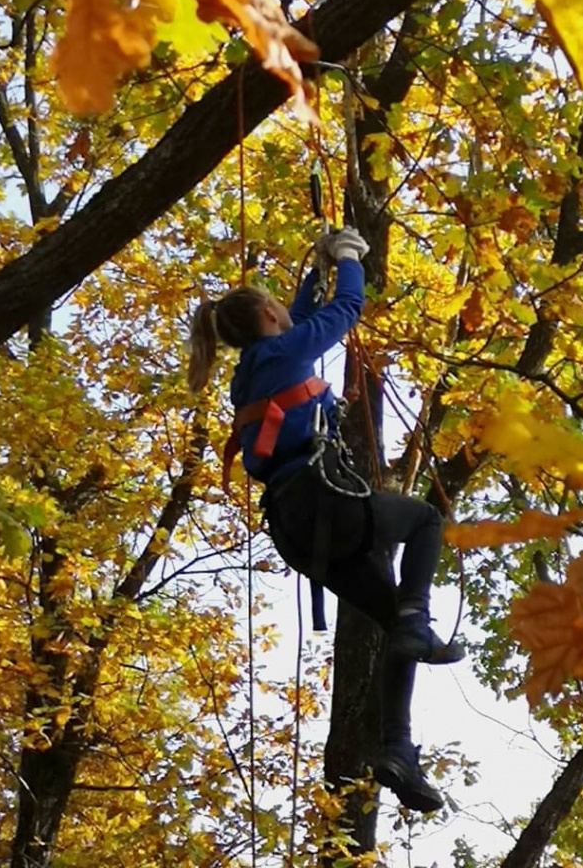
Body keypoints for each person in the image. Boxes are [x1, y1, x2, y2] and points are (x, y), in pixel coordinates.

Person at [187, 226, 464, 813]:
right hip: (323, 505)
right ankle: (416, 619)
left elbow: (306, 315)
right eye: (278, 307)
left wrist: (317, 268)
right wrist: (348, 259)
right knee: (424, 521)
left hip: (298, 528)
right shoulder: (279, 354)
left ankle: (398, 750)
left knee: (395, 625)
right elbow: (344, 310)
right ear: (268, 314)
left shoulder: (259, 365)